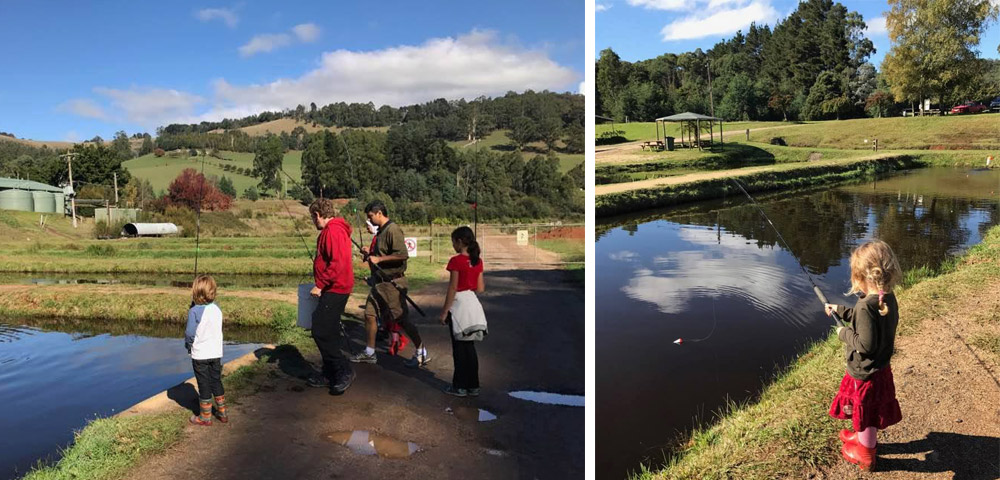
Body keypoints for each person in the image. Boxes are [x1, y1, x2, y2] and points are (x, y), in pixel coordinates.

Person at [824, 240, 903, 471]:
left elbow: (864, 344)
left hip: (865, 373)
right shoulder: (886, 298)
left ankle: (866, 454)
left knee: (866, 413)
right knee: (867, 409)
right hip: (880, 368)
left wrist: (843, 333)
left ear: (859, 276)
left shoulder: (866, 306)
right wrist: (838, 310)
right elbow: (865, 321)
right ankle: (861, 438)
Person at [351, 200, 428, 367]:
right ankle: (370, 352)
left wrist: (379, 258)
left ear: (379, 213)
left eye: (371, 216)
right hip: (379, 283)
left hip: (393, 283)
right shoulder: (381, 232)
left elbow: (402, 255)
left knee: (401, 319)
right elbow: (380, 255)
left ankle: (421, 349)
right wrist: (370, 253)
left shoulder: (393, 229)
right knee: (369, 315)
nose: (369, 220)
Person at [306, 198, 356, 395]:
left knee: (320, 329)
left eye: (313, 217)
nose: (313, 221)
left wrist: (320, 284)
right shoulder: (334, 229)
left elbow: (338, 263)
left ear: (318, 215)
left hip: (336, 287)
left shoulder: (333, 231)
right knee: (329, 330)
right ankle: (329, 373)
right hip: (335, 286)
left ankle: (343, 370)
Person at [439, 226, 487, 397]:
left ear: (459, 241)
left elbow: (452, 288)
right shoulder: (477, 261)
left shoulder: (456, 261)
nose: (453, 245)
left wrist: (445, 311)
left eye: (453, 242)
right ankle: (473, 385)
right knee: (470, 348)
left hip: (459, 305)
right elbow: (480, 288)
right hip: (473, 304)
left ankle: (459, 386)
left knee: (459, 349)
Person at [185, 275, 227, 426]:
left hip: (200, 354)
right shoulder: (217, 309)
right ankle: (222, 413)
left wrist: (188, 345)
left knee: (204, 384)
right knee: (216, 381)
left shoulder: (194, 311)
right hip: (216, 353)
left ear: (196, 292)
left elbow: (190, 334)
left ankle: (205, 417)